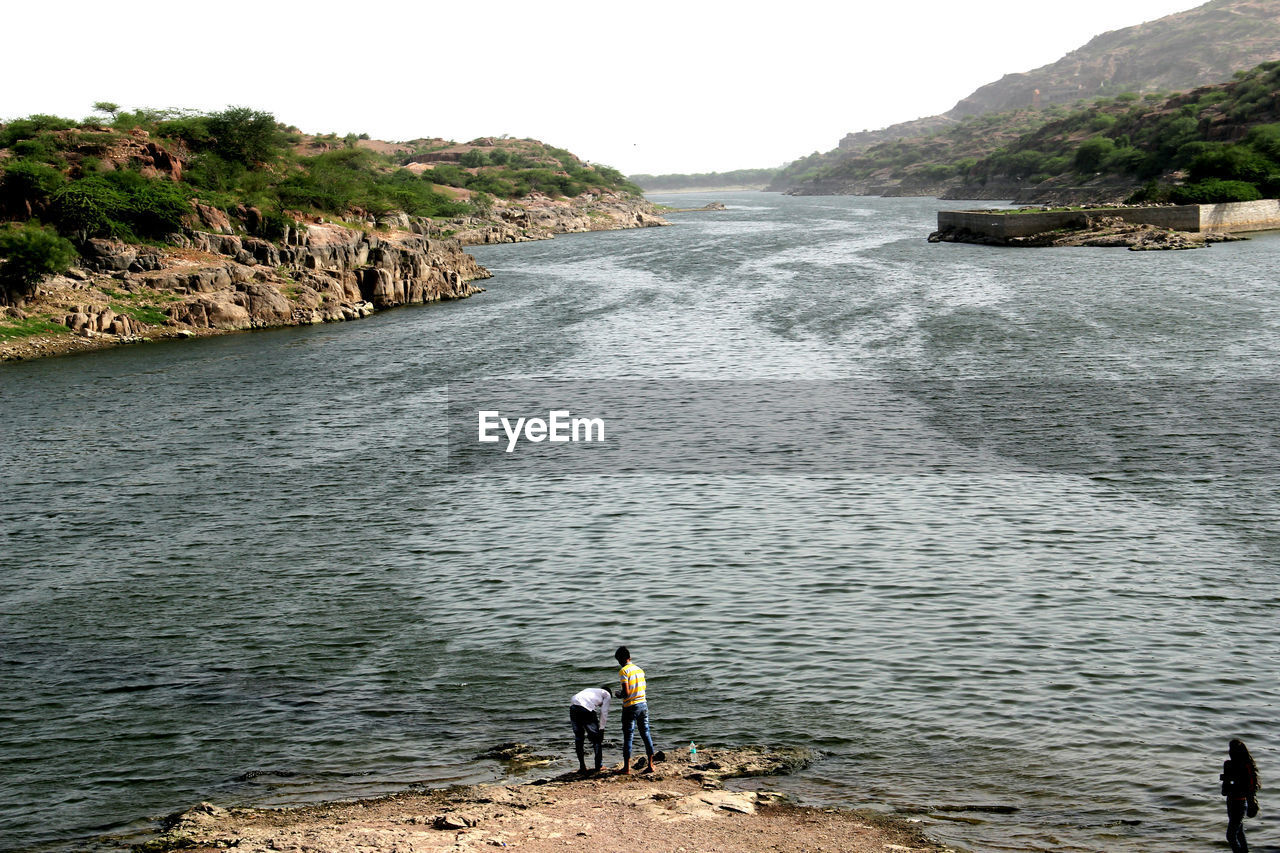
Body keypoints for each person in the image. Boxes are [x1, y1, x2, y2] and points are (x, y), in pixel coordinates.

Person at [615, 645, 656, 774]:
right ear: (629, 657)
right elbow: (643, 688)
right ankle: (650, 765)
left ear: (620, 660)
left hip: (630, 707)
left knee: (628, 736)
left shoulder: (624, 671)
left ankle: (626, 768)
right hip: (643, 704)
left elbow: (626, 692)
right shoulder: (639, 670)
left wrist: (619, 694)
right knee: (646, 733)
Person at [1221, 738, 1260, 853]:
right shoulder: (1230, 765)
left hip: (1239, 803)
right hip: (1232, 801)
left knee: (1231, 835)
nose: (1229, 752)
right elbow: (1226, 787)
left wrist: (1251, 802)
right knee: (1239, 831)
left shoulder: (1245, 767)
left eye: (1231, 750)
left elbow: (1250, 788)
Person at [569, 685, 611, 774]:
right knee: (596, 739)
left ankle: (582, 767)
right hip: (585, 707)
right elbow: (604, 713)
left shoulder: (590, 690)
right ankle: (599, 766)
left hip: (573, 705)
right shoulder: (607, 694)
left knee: (579, 737)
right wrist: (601, 729)